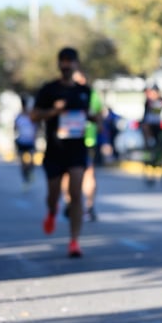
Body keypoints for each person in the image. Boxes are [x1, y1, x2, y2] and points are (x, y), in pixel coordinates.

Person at [31, 47, 99, 258]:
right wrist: (54, 110)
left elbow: (97, 117)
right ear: (59, 64)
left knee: (76, 194)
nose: (67, 65)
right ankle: (52, 211)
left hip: (77, 150)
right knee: (53, 195)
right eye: (63, 61)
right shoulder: (49, 89)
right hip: (54, 150)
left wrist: (91, 116)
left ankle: (74, 241)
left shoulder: (85, 91)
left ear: (76, 64)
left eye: (71, 61)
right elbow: (33, 115)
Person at [61, 69, 103, 221]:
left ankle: (88, 206)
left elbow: (99, 119)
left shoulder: (90, 95)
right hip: (68, 140)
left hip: (86, 140)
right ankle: (71, 202)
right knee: (68, 173)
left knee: (88, 174)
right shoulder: (90, 94)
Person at [14, 99, 38, 190]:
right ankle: (25, 179)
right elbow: (15, 128)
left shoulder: (31, 116)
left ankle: (29, 172)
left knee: (31, 161)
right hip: (21, 141)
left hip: (30, 142)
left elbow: (36, 128)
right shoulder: (18, 117)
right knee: (23, 162)